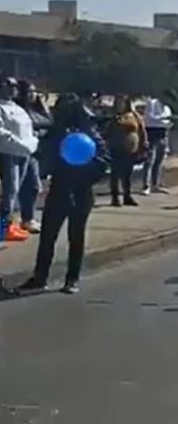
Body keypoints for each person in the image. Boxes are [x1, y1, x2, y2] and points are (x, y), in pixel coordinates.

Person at [17, 94, 109, 294]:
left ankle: (72, 279)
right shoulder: (56, 133)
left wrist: (86, 174)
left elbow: (103, 162)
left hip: (81, 191)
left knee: (76, 236)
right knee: (48, 236)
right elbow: (43, 155)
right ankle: (40, 277)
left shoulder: (90, 134)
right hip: (59, 188)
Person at [0, 76, 39, 242]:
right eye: (8, 85)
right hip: (8, 153)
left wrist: (32, 143)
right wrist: (21, 144)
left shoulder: (17, 107)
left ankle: (9, 225)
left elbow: (30, 130)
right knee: (10, 191)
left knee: (19, 190)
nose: (12, 88)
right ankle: (1, 230)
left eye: (14, 86)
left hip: (24, 153)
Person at [14, 80, 51, 234]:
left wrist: (42, 105)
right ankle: (4, 228)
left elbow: (49, 122)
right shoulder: (16, 109)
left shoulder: (36, 108)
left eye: (34, 92)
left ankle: (27, 219)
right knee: (11, 191)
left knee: (34, 186)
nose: (32, 95)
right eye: (29, 92)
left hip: (32, 153)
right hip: (14, 153)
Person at [106, 95, 147, 207]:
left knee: (127, 174)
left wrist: (143, 144)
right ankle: (115, 197)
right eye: (118, 103)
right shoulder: (114, 117)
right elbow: (108, 132)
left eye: (122, 102)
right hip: (116, 147)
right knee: (115, 173)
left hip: (131, 149)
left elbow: (141, 130)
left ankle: (127, 196)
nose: (121, 105)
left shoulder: (134, 116)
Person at [141, 90, 175, 196]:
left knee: (159, 161)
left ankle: (155, 184)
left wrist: (170, 122)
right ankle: (146, 186)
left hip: (163, 134)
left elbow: (167, 123)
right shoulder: (152, 103)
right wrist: (163, 119)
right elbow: (149, 118)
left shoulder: (167, 109)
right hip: (152, 133)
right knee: (149, 160)